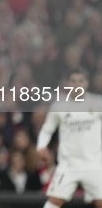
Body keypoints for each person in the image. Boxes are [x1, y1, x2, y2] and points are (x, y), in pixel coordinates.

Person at [37, 68, 102, 208]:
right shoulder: (59, 106)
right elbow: (46, 130)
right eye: (73, 81)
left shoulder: (98, 103)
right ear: (67, 83)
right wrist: (41, 147)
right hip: (68, 165)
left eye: (81, 81)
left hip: (94, 164)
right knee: (54, 201)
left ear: (87, 83)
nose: (77, 85)